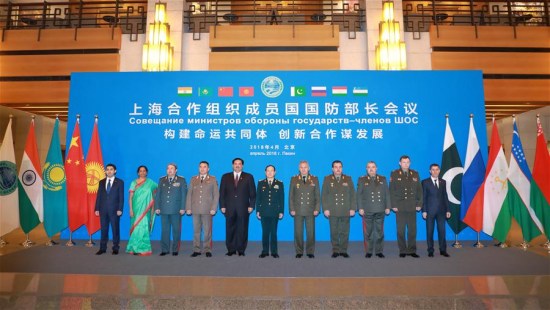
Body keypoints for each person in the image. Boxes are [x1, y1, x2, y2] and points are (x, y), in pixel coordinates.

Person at [219, 158, 256, 256]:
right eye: (235, 164)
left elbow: (253, 193)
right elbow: (222, 193)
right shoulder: (225, 177)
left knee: (242, 229)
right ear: (232, 165)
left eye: (239, 164)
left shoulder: (248, 177)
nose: (237, 165)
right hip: (229, 207)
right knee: (230, 228)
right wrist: (222, 205)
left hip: (243, 208)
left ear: (242, 165)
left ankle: (241, 249)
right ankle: (231, 249)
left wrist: (251, 205)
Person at [390, 155, 423, 258]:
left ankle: (412, 250)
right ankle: (403, 250)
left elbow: (419, 190)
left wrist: (419, 204)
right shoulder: (395, 174)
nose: (406, 164)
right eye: (404, 162)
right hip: (400, 206)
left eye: (407, 162)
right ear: (400, 163)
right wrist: (393, 205)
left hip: (412, 206)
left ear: (410, 163)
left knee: (412, 230)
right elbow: (391, 191)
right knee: (400, 230)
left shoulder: (415, 174)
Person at [322, 160, 356, 258]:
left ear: (342, 168)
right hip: (333, 210)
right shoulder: (327, 179)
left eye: (340, 167)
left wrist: (353, 208)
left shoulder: (348, 178)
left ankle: (344, 250)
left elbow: (353, 194)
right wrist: (325, 209)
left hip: (345, 209)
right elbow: (324, 195)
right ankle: (336, 250)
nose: (338, 169)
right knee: (334, 231)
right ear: (332, 169)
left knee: (345, 231)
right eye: (336, 167)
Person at [357, 161, 391, 258]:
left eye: (373, 167)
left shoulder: (383, 179)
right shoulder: (362, 179)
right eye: (369, 167)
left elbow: (387, 194)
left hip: (380, 209)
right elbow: (359, 195)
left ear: (376, 168)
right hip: (368, 209)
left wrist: (388, 206)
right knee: (368, 232)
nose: (371, 169)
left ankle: (379, 251)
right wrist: (360, 208)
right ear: (366, 169)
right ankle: (369, 251)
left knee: (380, 232)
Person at [186, 161, 219, 257]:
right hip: (195, 209)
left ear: (208, 169)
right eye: (200, 167)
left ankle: (207, 249)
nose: (202, 168)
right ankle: (196, 249)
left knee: (207, 231)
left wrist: (214, 208)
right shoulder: (193, 179)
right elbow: (189, 194)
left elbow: (216, 195)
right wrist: (188, 208)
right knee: (196, 231)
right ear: (198, 168)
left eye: (205, 167)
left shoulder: (212, 179)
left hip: (207, 210)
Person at [289, 160, 320, 258]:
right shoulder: (294, 179)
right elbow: (291, 196)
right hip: (298, 210)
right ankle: (299, 251)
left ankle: (310, 251)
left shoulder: (314, 179)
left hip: (310, 210)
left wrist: (317, 208)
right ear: (299, 168)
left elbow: (317, 196)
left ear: (309, 168)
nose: (303, 169)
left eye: (305, 167)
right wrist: (292, 208)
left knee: (311, 232)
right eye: (301, 167)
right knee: (298, 232)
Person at [155, 163, 187, 256]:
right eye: (168, 168)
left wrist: (182, 208)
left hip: (176, 210)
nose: (169, 170)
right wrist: (157, 207)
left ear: (176, 170)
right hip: (164, 209)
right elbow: (158, 195)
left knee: (176, 230)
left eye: (172, 168)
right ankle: (165, 249)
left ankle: (175, 249)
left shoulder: (181, 180)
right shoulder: (162, 180)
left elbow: (184, 195)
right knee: (165, 230)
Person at [126, 165, 158, 256]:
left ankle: (143, 248)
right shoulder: (133, 183)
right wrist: (131, 209)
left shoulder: (151, 183)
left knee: (143, 228)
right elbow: (130, 198)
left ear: (146, 172)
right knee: (136, 228)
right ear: (138, 173)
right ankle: (133, 248)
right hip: (136, 209)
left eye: (144, 171)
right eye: (140, 171)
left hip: (146, 211)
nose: (142, 172)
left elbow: (159, 190)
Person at [422, 163, 451, 257]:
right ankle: (430, 250)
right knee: (430, 232)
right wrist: (424, 211)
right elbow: (424, 197)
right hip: (430, 211)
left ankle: (443, 250)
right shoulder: (425, 182)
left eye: (437, 169)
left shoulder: (443, 182)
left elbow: (445, 196)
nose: (435, 171)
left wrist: (448, 210)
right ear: (430, 171)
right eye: (433, 170)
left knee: (442, 231)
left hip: (441, 212)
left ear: (439, 171)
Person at [94, 163, 124, 255]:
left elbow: (121, 197)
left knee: (115, 229)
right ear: (105, 171)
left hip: (115, 210)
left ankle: (115, 248)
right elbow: (98, 196)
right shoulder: (101, 182)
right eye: (107, 169)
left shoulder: (119, 182)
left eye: (111, 169)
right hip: (103, 210)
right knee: (104, 229)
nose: (109, 171)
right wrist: (97, 208)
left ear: (115, 171)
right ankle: (102, 248)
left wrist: (120, 209)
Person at [256, 165, 284, 258]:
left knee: (273, 232)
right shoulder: (261, 183)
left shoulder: (279, 183)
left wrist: (281, 211)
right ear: (265, 172)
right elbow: (258, 198)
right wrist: (258, 210)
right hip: (264, 211)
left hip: (274, 211)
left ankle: (274, 252)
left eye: (272, 170)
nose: (270, 172)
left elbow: (281, 198)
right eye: (268, 170)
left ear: (275, 172)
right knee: (265, 232)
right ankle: (264, 251)